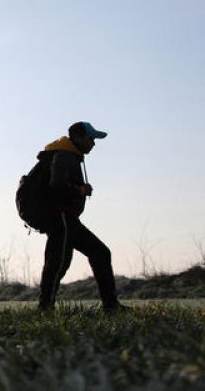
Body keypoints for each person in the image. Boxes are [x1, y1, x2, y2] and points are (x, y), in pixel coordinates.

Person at [37, 122, 123, 312]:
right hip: (61, 218)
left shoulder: (68, 155)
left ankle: (111, 306)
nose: (93, 143)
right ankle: (45, 308)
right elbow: (56, 186)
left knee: (98, 253)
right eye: (90, 138)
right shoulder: (64, 156)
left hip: (67, 219)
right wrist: (80, 190)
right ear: (77, 137)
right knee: (58, 264)